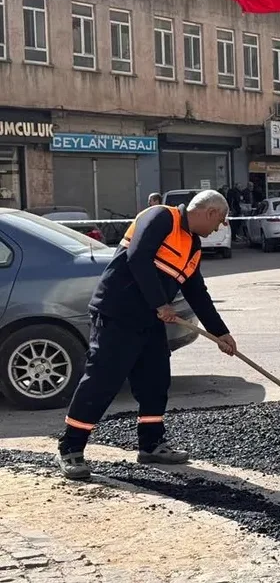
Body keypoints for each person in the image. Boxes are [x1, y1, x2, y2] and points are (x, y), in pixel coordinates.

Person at [56, 190, 237, 481]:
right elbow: (137, 257)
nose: (217, 229)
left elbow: (196, 292)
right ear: (210, 212)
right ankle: (71, 448)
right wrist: (160, 303)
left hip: (150, 321)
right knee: (102, 381)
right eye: (219, 223)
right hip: (118, 314)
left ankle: (151, 444)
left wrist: (220, 333)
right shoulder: (161, 217)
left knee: (155, 381)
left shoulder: (192, 245)